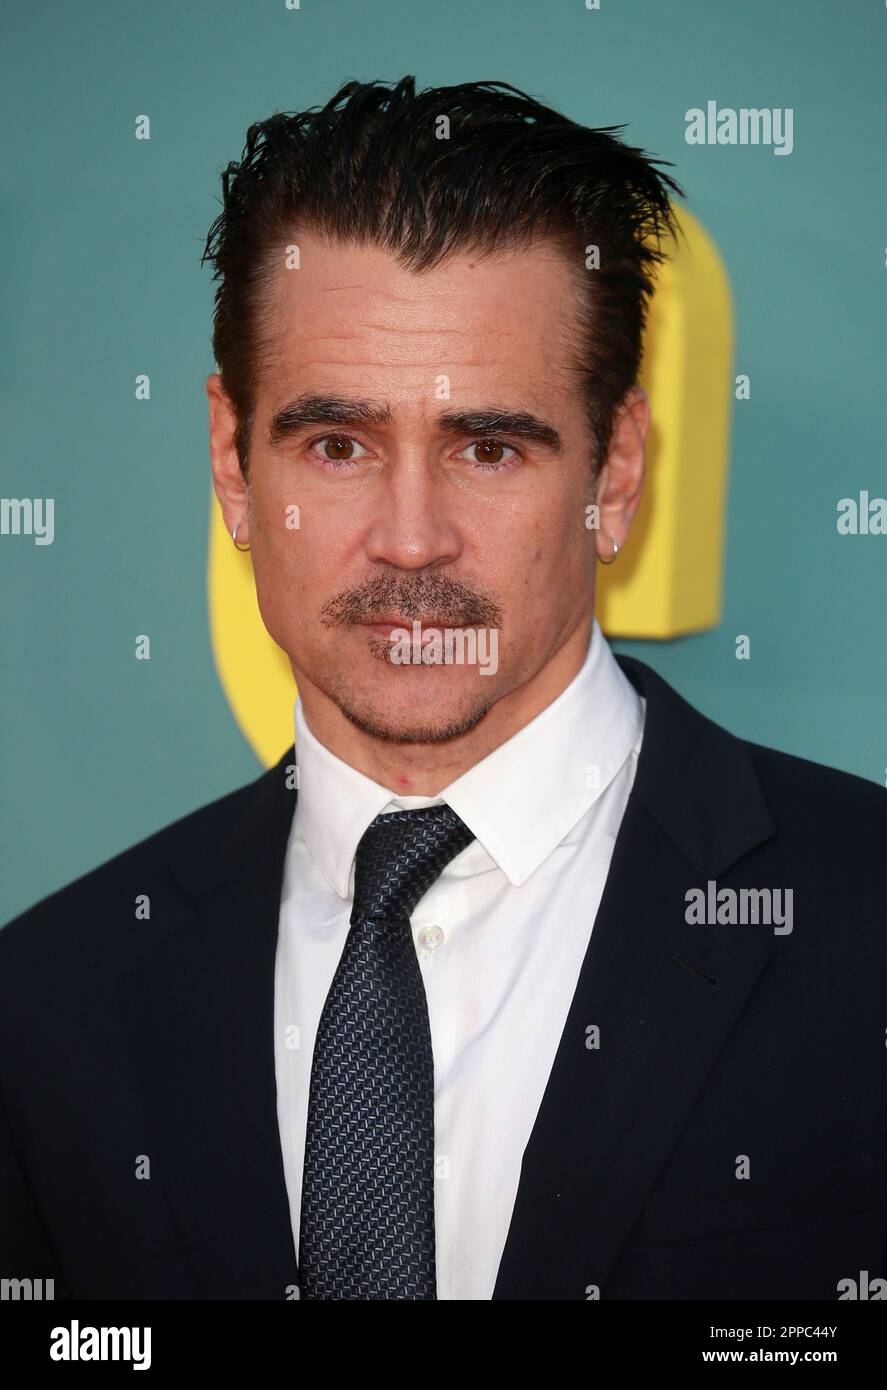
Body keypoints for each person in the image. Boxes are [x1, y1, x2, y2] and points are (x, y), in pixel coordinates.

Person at [1, 76, 884, 1302]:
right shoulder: (48, 1001)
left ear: (614, 472)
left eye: (486, 447)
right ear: (231, 465)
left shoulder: (864, 922)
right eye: (338, 446)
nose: (410, 542)